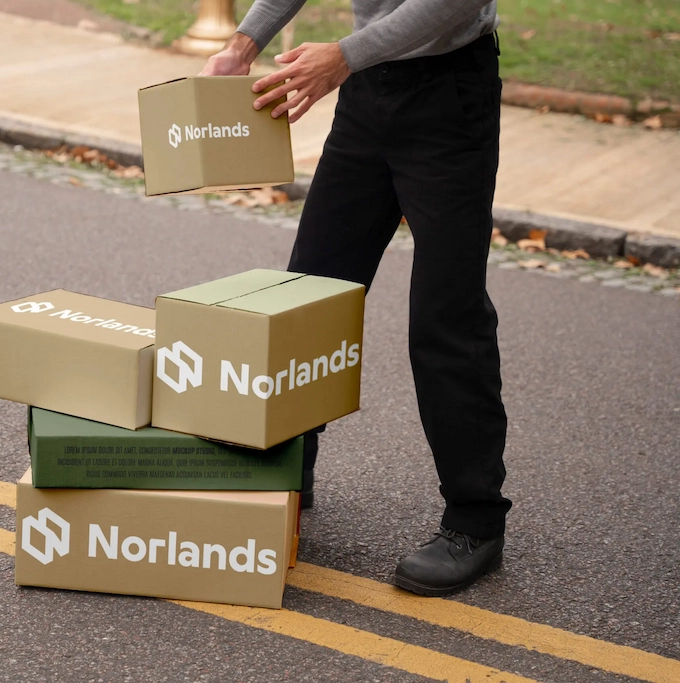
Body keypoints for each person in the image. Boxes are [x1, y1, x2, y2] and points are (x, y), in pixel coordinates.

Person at [200, 0, 511, 596]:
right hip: (367, 92)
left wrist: (343, 56)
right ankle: (288, 467)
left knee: (446, 315)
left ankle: (475, 520)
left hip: (448, 99)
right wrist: (242, 45)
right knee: (309, 295)